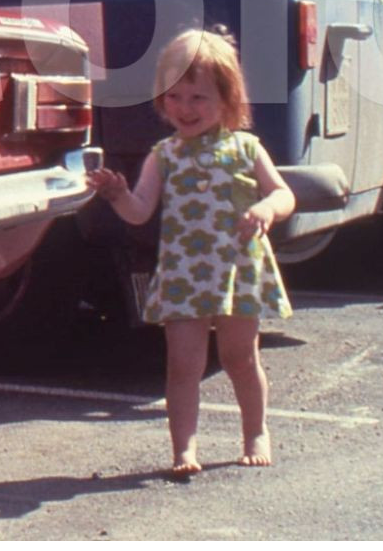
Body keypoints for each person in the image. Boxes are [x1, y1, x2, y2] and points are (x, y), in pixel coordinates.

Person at [89, 27, 296, 478]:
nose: (185, 108)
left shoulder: (245, 148)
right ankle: (184, 448)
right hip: (184, 273)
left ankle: (255, 431)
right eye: (175, 97)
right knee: (184, 364)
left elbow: (284, 195)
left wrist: (265, 209)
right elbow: (140, 212)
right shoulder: (163, 156)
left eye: (198, 97)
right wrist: (117, 195)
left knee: (242, 357)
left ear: (227, 99)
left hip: (237, 270)